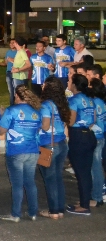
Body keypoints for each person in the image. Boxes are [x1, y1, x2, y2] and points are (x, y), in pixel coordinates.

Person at [0, 85, 42, 222]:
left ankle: (16, 214)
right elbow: (38, 128)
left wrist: (1, 115)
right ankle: (33, 212)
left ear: (17, 96)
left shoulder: (11, 110)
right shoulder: (36, 112)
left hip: (16, 151)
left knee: (17, 184)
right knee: (30, 182)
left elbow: (1, 130)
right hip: (32, 150)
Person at [37, 77, 70, 219]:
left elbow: (45, 126)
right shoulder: (62, 104)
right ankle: (60, 208)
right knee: (58, 177)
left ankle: (54, 211)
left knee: (49, 179)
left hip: (47, 144)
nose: (42, 86)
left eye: (44, 84)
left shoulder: (45, 105)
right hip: (61, 143)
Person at [65, 73, 96, 215]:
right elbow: (93, 119)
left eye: (70, 81)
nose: (68, 83)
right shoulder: (89, 99)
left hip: (78, 137)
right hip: (89, 135)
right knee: (86, 171)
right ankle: (85, 200)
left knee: (81, 172)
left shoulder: (73, 100)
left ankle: (84, 206)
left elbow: (71, 121)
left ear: (74, 85)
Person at [10, 38, 31, 103]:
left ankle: (21, 107)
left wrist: (18, 70)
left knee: (20, 95)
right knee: (17, 94)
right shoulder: (19, 51)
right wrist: (14, 68)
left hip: (20, 77)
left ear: (17, 43)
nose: (13, 44)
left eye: (14, 42)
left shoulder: (22, 52)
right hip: (16, 76)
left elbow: (28, 64)